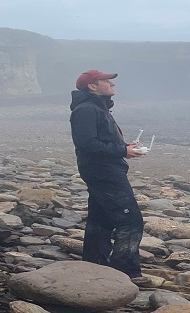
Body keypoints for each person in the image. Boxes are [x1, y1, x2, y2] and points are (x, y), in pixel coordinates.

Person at [69, 69, 147, 282]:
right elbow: (87, 144)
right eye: (106, 81)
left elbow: (97, 141)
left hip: (101, 170)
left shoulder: (95, 108)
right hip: (103, 172)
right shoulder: (86, 109)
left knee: (100, 219)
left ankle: (94, 265)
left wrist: (125, 148)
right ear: (92, 87)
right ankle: (125, 272)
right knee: (131, 221)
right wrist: (122, 151)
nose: (112, 85)